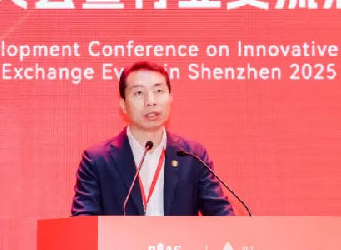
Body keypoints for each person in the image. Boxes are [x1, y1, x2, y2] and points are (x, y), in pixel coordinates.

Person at [71, 61, 235, 216]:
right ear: (123, 104)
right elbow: (83, 221)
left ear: (170, 98)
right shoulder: (98, 160)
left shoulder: (192, 155)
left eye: (159, 91)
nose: (151, 101)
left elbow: (221, 214)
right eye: (139, 93)